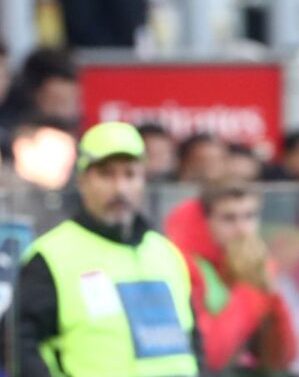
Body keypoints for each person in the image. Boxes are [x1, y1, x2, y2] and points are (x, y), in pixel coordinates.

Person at [0, 122, 201, 376]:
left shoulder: (166, 254)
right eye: (106, 174)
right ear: (83, 180)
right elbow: (17, 344)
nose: (120, 188)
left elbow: (192, 342)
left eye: (130, 174)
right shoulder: (51, 256)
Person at [167, 180, 297, 375]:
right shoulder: (185, 266)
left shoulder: (256, 265)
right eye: (229, 219)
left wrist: (270, 295)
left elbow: (280, 359)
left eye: (249, 217)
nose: (242, 229)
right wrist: (248, 288)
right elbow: (212, 356)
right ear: (206, 221)